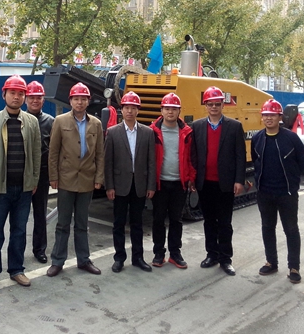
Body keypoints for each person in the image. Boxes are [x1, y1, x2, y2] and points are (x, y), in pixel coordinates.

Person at [0, 75, 41, 292]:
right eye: (12, 93)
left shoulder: (31, 122)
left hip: (23, 188)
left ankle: (16, 269)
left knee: (19, 231)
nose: (16, 97)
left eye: (20, 93)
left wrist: (33, 180)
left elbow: (36, 153)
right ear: (4, 94)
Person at [47, 82, 105, 277]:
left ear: (88, 101)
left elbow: (100, 154)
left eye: (83, 99)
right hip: (66, 179)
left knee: (82, 223)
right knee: (62, 223)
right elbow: (53, 152)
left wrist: (99, 177)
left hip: (87, 179)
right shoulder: (60, 121)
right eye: (76, 99)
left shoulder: (96, 124)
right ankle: (57, 261)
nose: (80, 102)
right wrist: (53, 176)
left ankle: (84, 260)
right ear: (70, 101)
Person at [191, 86, 246, 276]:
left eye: (217, 104)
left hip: (225, 183)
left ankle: (225, 259)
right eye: (210, 104)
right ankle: (211, 255)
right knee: (209, 221)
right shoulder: (197, 126)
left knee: (224, 223)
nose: (214, 107)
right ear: (205, 105)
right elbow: (193, 155)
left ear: (223, 105)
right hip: (205, 183)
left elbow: (240, 155)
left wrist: (239, 180)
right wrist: (193, 178)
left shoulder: (234, 127)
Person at [252, 99, 304, 284]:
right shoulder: (257, 139)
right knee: (267, 227)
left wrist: (292, 182)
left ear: (280, 117)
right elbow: (256, 161)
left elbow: (302, 162)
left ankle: (294, 267)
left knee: (291, 229)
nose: (269, 118)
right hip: (265, 193)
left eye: (272, 115)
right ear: (262, 117)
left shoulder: (291, 139)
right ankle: (271, 262)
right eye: (265, 115)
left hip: (287, 194)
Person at [104, 91, 156, 273]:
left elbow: (151, 162)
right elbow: (108, 162)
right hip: (119, 185)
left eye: (133, 108)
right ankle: (119, 258)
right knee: (118, 223)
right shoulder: (113, 132)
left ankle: (138, 258)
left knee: (137, 223)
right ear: (122, 110)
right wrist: (109, 186)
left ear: (137, 110)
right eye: (127, 108)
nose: (130, 111)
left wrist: (151, 185)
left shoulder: (148, 133)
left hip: (139, 185)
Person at [149, 92, 196, 270]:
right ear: (161, 110)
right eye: (167, 108)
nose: (170, 112)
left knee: (176, 220)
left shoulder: (187, 133)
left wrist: (191, 178)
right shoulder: (153, 131)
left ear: (179, 111)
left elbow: (191, 158)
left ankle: (175, 253)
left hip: (179, 183)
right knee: (158, 219)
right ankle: (159, 253)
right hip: (160, 183)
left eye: (174, 109)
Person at [24, 81, 54, 264]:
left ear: (43, 100)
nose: (35, 100)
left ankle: (39, 249)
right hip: (21, 175)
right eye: (32, 97)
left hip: (42, 175)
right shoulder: (18, 119)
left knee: (40, 214)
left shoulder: (50, 122)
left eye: (38, 97)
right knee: (19, 216)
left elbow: (55, 150)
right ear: (26, 99)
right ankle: (17, 250)